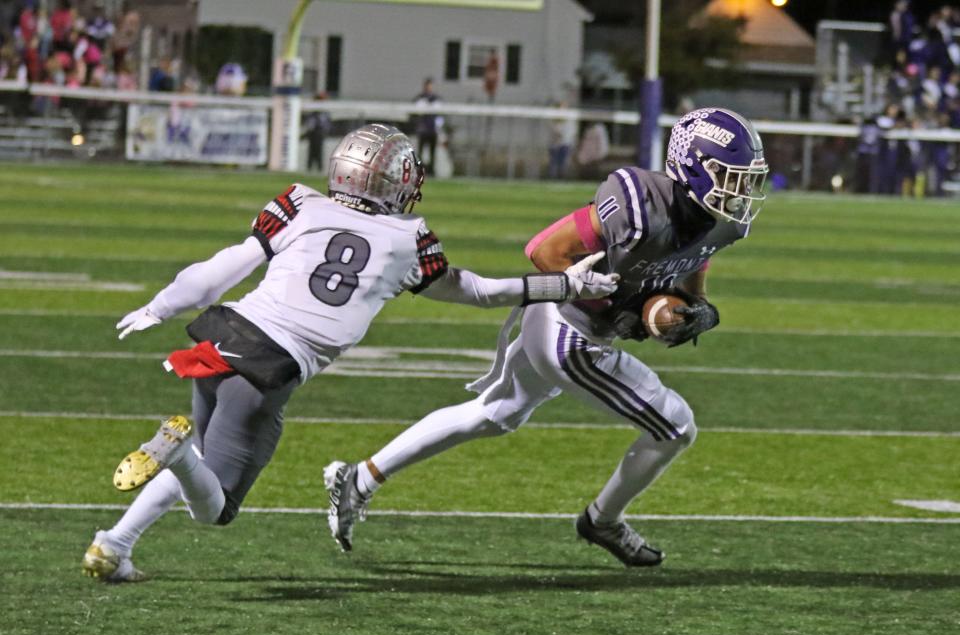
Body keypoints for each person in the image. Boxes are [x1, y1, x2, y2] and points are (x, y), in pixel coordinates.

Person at [81, 124, 619, 582]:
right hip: (269, 369)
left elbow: (226, 266)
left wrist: (162, 305)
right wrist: (561, 287)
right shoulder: (407, 237)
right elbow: (476, 290)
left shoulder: (299, 203)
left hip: (223, 334)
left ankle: (114, 544)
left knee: (204, 454)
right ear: (398, 181)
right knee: (215, 507)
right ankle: (168, 456)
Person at [324, 108, 769, 566]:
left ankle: (360, 478)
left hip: (578, 327)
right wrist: (628, 309)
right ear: (691, 165)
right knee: (675, 426)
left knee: (493, 414)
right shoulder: (640, 204)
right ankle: (602, 520)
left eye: (745, 177)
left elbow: (695, 258)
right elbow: (544, 250)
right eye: (727, 174)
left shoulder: (723, 221)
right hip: (567, 328)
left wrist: (698, 310)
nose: (740, 189)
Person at [414, 78, 442, 176]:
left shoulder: (436, 99)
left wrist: (439, 127)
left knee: (432, 152)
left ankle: (431, 170)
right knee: (421, 152)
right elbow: (417, 112)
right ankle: (420, 171)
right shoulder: (420, 98)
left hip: (432, 130)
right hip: (423, 130)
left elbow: (440, 115)